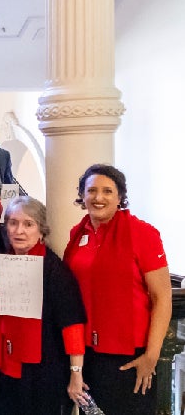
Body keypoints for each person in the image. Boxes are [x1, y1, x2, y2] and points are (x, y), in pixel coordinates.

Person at [63, 164, 171, 414]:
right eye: (91, 190)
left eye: (107, 191)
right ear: (82, 195)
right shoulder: (77, 234)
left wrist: (151, 356)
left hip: (130, 356)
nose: (98, 198)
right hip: (87, 353)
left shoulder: (143, 233)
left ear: (120, 196)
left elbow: (162, 297)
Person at [0, 196, 86, 415]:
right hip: (0, 368)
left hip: (39, 372)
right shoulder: (3, 262)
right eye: (13, 222)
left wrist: (76, 373)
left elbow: (72, 324)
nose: (18, 230)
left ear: (41, 231)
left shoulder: (54, 270)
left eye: (28, 224)